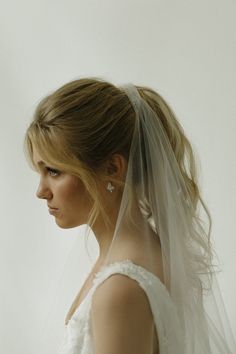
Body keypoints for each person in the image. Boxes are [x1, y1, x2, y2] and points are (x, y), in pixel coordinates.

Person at [24, 77, 236, 354]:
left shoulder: (120, 290)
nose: (41, 191)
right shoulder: (145, 253)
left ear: (112, 168)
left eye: (54, 171)